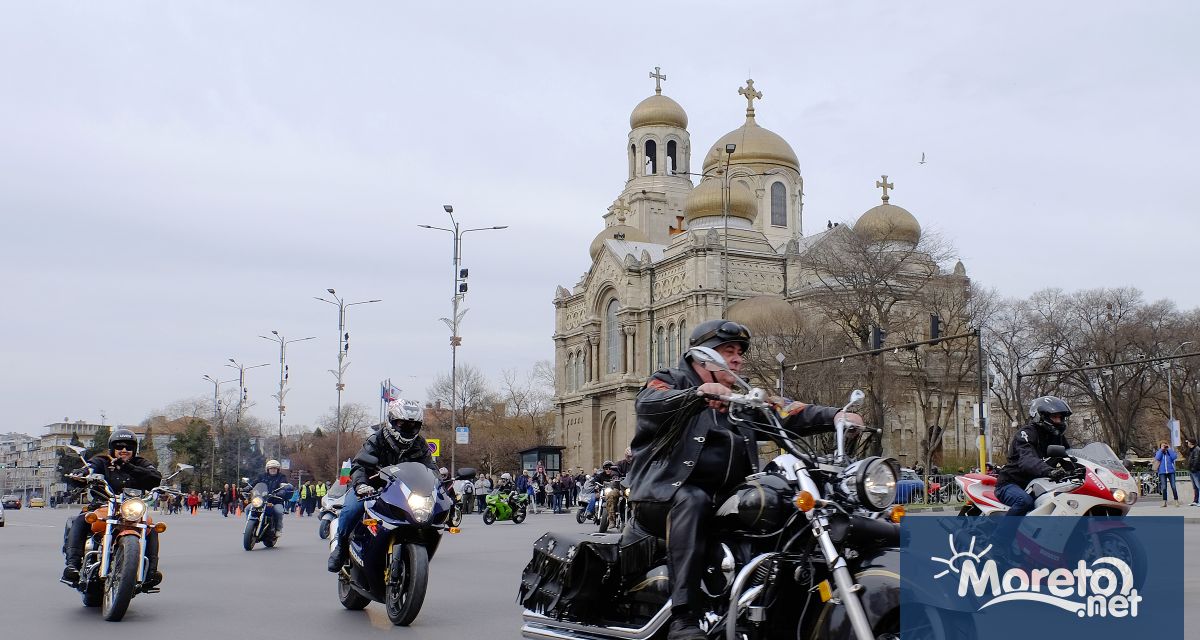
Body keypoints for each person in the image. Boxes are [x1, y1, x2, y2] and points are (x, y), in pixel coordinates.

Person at [626, 320, 862, 640]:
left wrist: (834, 415)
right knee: (692, 499)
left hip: (724, 500)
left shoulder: (741, 398)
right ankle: (684, 617)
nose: (737, 358)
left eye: (739, 353)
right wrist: (696, 393)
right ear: (704, 356)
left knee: (782, 510)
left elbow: (786, 409)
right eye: (728, 351)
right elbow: (649, 404)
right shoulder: (669, 381)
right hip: (663, 496)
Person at [328, 399, 436, 572]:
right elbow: (359, 466)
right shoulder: (376, 440)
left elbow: (430, 469)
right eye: (402, 423)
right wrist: (361, 485)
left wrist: (439, 484)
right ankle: (340, 548)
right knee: (351, 509)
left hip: (401, 491)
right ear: (392, 421)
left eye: (413, 425)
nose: (408, 428)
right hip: (371, 488)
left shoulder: (420, 444)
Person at [62, 429, 164, 588]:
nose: (124, 450)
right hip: (103, 505)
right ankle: (72, 565)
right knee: (82, 520)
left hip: (131, 510)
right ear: (112, 448)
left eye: (129, 447)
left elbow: (155, 477)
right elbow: (89, 468)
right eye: (119, 446)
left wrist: (128, 467)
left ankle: (151, 572)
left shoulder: (141, 463)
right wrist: (80, 474)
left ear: (134, 450)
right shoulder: (102, 461)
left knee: (150, 526)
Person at [993, 396, 1073, 544]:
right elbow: (1027, 460)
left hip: (1036, 484)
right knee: (1024, 502)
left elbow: (1071, 455)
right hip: (1011, 483)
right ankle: (1000, 543)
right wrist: (1049, 471)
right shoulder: (1026, 434)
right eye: (1054, 417)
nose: (1059, 421)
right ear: (1041, 416)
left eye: (1061, 417)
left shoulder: (1058, 438)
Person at [250, 459, 293, 533]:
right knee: (248, 508)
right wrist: (247, 487)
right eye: (271, 468)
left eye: (275, 468)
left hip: (275, 500)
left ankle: (278, 529)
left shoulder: (281, 477)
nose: (273, 470)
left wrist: (281, 492)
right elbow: (254, 483)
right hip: (261, 499)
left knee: (279, 511)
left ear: (278, 469)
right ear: (267, 469)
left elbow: (284, 485)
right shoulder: (262, 476)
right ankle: (250, 525)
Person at [1155, 442, 1180, 507]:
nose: (1164, 447)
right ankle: (1164, 502)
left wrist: (1169, 449)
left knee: (1173, 486)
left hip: (1171, 471)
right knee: (1164, 487)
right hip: (1162, 472)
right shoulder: (1159, 452)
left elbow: (1174, 457)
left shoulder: (1169, 452)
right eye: (1163, 446)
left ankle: (1176, 500)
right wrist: (1161, 450)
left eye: (1165, 445)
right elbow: (1157, 458)